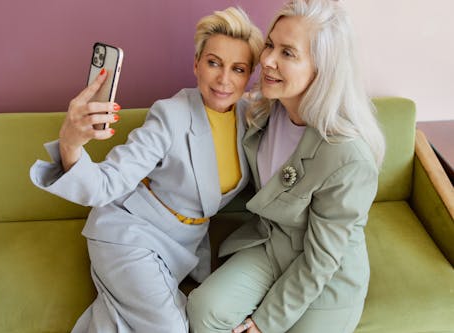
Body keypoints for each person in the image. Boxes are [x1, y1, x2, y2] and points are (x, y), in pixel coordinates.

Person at [29, 7, 263, 333]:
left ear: (250, 74)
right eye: (213, 63)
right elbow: (109, 182)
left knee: (118, 320)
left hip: (181, 247)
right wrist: (70, 144)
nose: (224, 79)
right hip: (130, 234)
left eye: (237, 69)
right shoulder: (169, 115)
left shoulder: (251, 115)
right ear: (196, 64)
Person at [186, 1, 386, 332]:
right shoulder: (262, 110)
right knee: (203, 310)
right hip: (270, 245)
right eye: (270, 45)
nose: (265, 60)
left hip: (324, 270)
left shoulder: (349, 156)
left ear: (322, 69)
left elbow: (320, 259)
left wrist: (265, 323)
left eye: (288, 53)